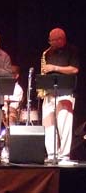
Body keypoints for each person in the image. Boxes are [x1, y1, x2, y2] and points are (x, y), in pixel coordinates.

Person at [39, 27, 79, 161]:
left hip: (65, 93)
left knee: (64, 125)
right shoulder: (48, 53)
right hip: (49, 93)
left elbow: (74, 69)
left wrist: (55, 68)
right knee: (48, 125)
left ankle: (64, 155)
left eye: (52, 40)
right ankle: (51, 154)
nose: (50, 43)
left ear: (60, 39)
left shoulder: (72, 51)